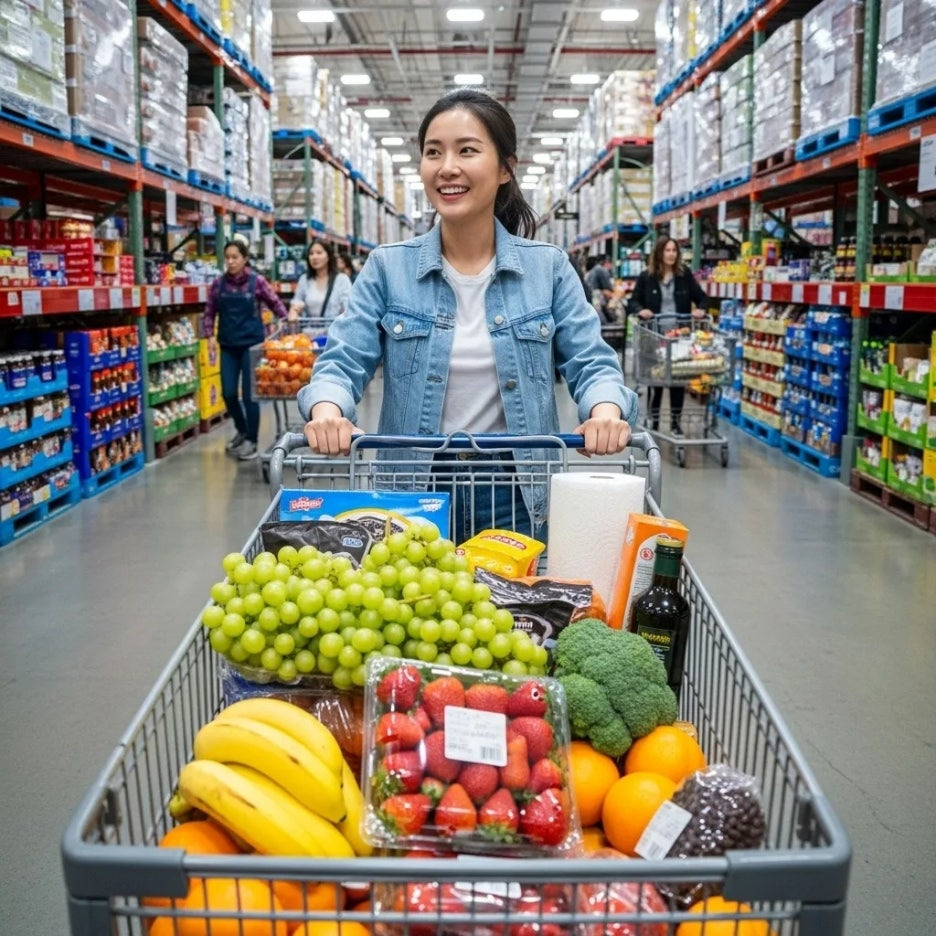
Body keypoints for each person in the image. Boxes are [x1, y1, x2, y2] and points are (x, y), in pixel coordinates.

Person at [299, 88, 638, 540]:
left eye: (467, 150)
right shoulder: (387, 267)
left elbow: (590, 361)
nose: (447, 167)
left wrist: (605, 411)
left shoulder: (549, 268)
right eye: (433, 152)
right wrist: (327, 410)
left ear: (505, 169)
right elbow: (343, 360)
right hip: (413, 487)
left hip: (516, 490)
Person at [203, 240, 293, 460]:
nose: (231, 261)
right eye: (228, 257)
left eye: (235, 257)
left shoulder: (257, 282)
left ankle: (252, 441)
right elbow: (209, 311)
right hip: (228, 345)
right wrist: (209, 335)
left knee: (251, 395)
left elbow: (275, 303)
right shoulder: (219, 284)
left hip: (252, 347)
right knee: (228, 393)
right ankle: (242, 430)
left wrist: (286, 322)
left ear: (245, 259)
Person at [626, 236, 708, 437]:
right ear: (659, 253)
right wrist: (641, 310)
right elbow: (633, 302)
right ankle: (654, 421)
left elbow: (702, 298)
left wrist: (701, 310)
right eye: (667, 250)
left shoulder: (684, 275)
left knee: (677, 380)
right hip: (653, 335)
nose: (671, 254)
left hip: (678, 337)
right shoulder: (646, 277)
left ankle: (675, 422)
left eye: (674, 250)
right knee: (656, 380)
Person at [289, 240, 353, 322]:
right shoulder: (304, 279)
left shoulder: (342, 280)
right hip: (308, 329)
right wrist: (294, 311)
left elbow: (349, 306)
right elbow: (297, 301)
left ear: (328, 256)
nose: (314, 257)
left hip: (333, 329)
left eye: (319, 253)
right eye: (311, 254)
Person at [585, 256, 616, 323]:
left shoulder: (590, 272)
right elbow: (608, 288)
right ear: (607, 263)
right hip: (596, 297)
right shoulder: (601, 269)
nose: (611, 267)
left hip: (590, 298)